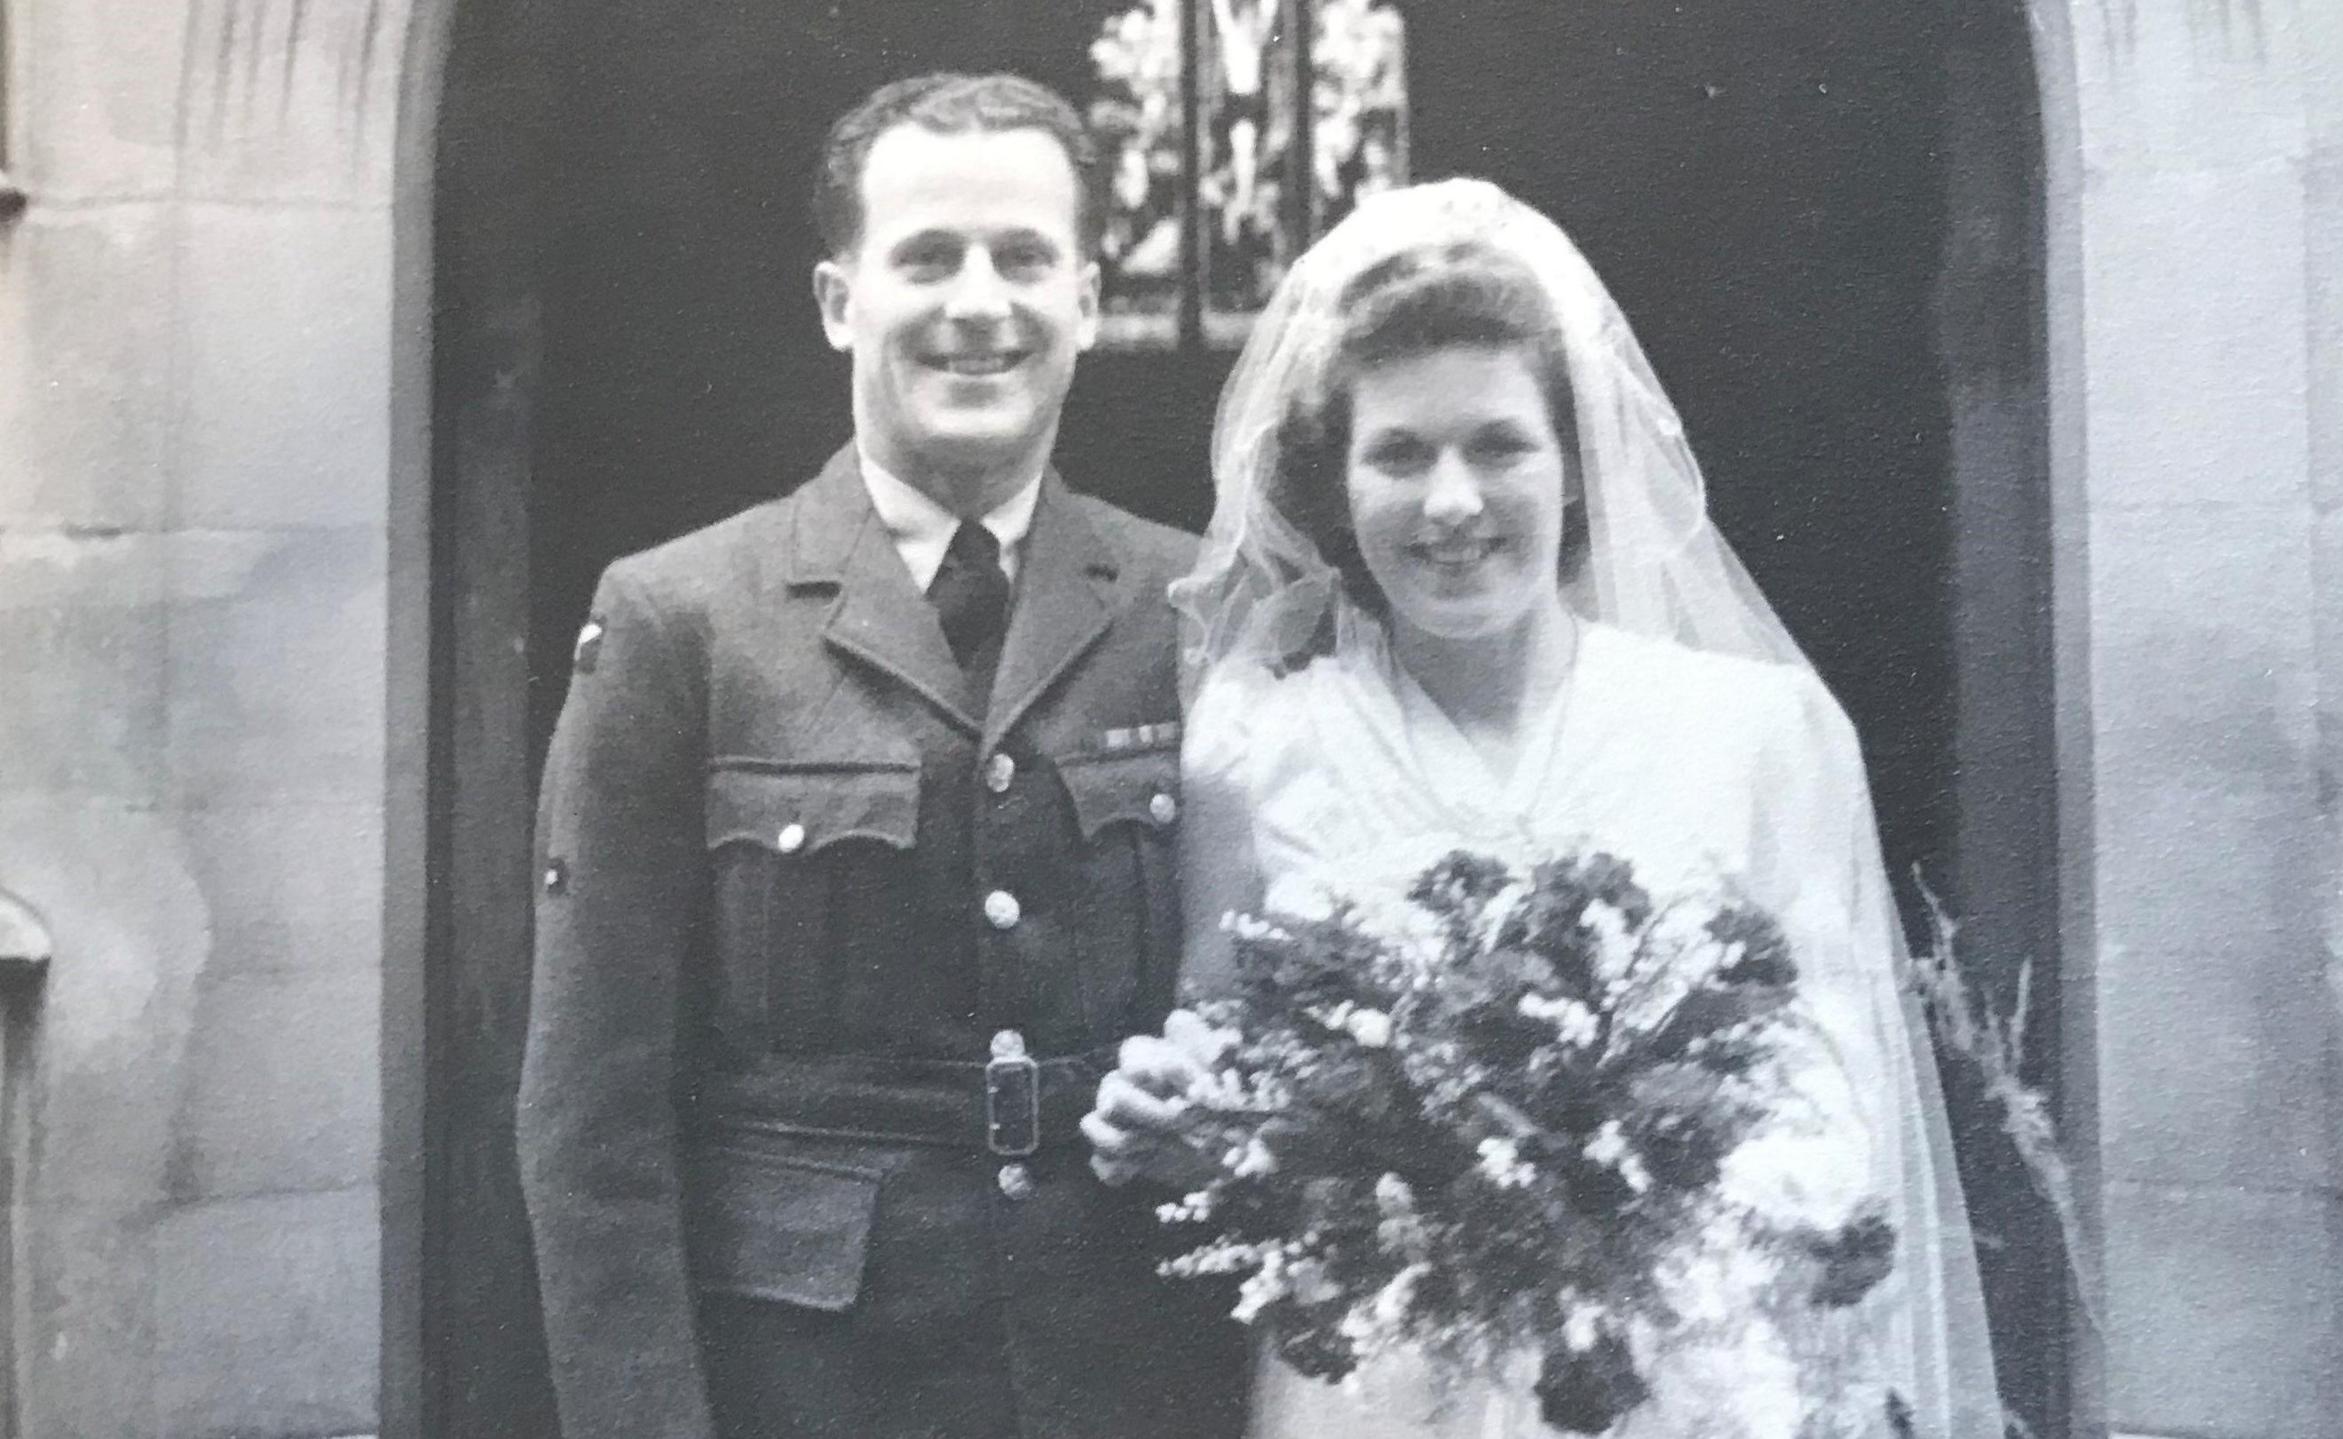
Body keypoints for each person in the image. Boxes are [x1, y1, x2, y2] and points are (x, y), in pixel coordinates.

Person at [1085, 179, 2005, 1438]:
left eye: (1499, 444)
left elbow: (1841, 1115)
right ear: (1336, 486)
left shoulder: (1756, 735)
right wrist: (1180, 1118)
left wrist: (1620, 1195)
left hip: (1681, 1382)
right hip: (1376, 1394)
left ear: (1578, 466)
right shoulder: (1259, 749)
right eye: (1398, 453)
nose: (1451, 501)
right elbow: (1226, 1084)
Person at [517, 72, 1245, 1439]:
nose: (980, 302)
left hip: (1127, 1370)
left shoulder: (1192, 607)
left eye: (1025, 257)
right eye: (927, 258)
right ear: (841, 300)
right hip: (809, 1382)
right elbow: (592, 1124)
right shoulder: (686, 619)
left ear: (1086, 301)